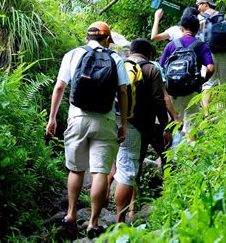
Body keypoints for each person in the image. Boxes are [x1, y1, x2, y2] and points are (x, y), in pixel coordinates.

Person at [45, 21, 129, 239]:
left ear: (86, 38)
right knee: (100, 172)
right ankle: (93, 222)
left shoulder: (73, 54)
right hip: (106, 120)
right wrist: (124, 124)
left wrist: (52, 118)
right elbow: (123, 92)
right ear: (108, 40)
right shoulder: (116, 58)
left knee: (76, 170)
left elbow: (60, 87)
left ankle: (71, 215)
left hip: (77, 118)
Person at [114, 38, 170, 223]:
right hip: (145, 124)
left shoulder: (120, 65)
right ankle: (164, 194)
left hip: (120, 122)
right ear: (151, 54)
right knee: (159, 157)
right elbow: (159, 100)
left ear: (131, 51)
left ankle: (131, 208)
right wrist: (166, 126)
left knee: (129, 165)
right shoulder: (152, 69)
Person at [159, 15, 214, 141]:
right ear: (197, 29)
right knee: (191, 125)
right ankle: (190, 156)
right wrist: (202, 81)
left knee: (174, 123)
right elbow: (210, 68)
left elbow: (161, 68)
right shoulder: (202, 46)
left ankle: (171, 155)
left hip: (173, 90)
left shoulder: (171, 45)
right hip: (191, 90)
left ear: (181, 28)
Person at [196, 0, 226, 109]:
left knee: (208, 84)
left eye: (199, 5)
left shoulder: (199, 18)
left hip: (208, 55)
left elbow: (196, 38)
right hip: (225, 53)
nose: (198, 8)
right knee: (225, 83)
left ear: (205, 4)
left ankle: (206, 114)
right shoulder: (224, 16)